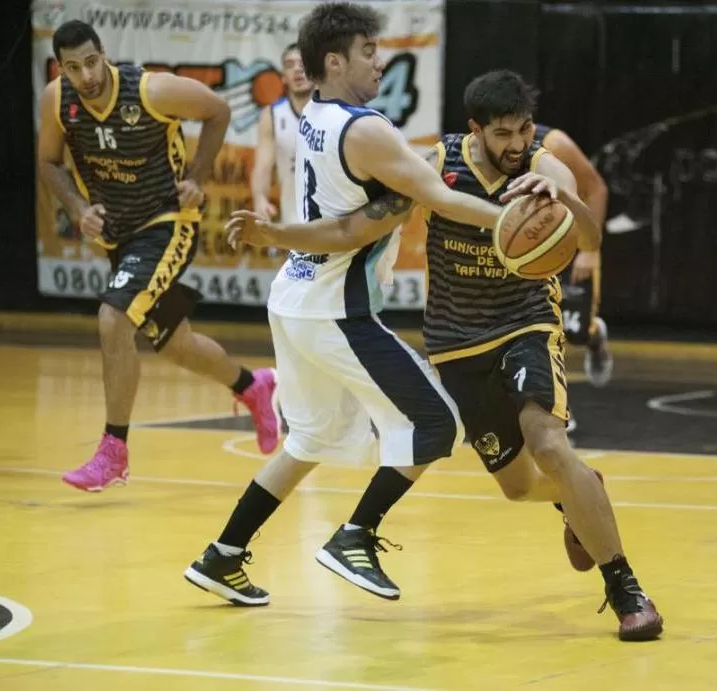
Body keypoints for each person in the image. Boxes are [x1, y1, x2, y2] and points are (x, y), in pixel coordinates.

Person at [223, 66, 663, 643]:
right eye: (503, 134)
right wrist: (274, 234)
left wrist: (566, 205)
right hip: (457, 341)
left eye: (524, 130)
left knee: (549, 442)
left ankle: (625, 587)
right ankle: (583, 495)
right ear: (475, 130)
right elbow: (354, 227)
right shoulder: (435, 165)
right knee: (520, 486)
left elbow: (590, 238)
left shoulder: (541, 164)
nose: (516, 144)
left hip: (525, 324)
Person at [183, 2, 510, 606]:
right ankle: (355, 536)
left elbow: (368, 210)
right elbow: (427, 198)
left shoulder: (315, 114)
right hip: (335, 309)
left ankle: (222, 555)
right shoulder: (364, 130)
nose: (379, 62)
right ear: (334, 61)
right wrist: (509, 219)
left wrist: (279, 235)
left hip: (296, 298)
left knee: (308, 439)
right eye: (367, 52)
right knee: (436, 423)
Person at [36, 20, 279, 493]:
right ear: (61, 68)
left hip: (167, 223)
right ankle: (253, 386)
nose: (86, 76)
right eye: (73, 68)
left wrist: (198, 176)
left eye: (91, 62)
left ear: (102, 54)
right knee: (175, 343)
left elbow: (218, 110)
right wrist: (78, 208)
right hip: (118, 236)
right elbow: (48, 162)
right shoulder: (57, 101)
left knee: (113, 318)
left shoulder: (150, 91)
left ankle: (114, 451)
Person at [532, 124, 614, 434]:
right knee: (542, 328)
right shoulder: (483, 151)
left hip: (570, 243)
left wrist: (589, 249)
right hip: (530, 246)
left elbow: (596, 189)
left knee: (572, 331)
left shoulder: (554, 143)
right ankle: (558, 410)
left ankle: (593, 335)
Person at [250, 43, 313, 225]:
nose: (297, 70)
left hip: (334, 224)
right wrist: (260, 199)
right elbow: (262, 167)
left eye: (303, 64)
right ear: (283, 77)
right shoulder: (272, 115)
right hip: (294, 222)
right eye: (290, 65)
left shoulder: (335, 111)